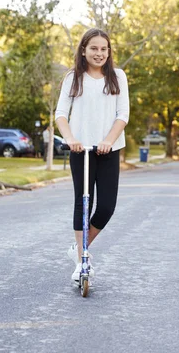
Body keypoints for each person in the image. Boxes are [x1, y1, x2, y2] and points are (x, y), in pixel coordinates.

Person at [55, 28, 130, 284]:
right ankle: (82, 260)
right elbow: (61, 114)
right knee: (83, 202)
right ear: (84, 50)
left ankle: (79, 249)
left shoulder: (118, 77)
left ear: (109, 52)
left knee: (106, 206)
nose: (99, 53)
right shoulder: (73, 77)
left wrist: (109, 140)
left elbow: (123, 115)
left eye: (103, 49)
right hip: (81, 150)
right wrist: (70, 138)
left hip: (109, 149)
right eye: (94, 48)